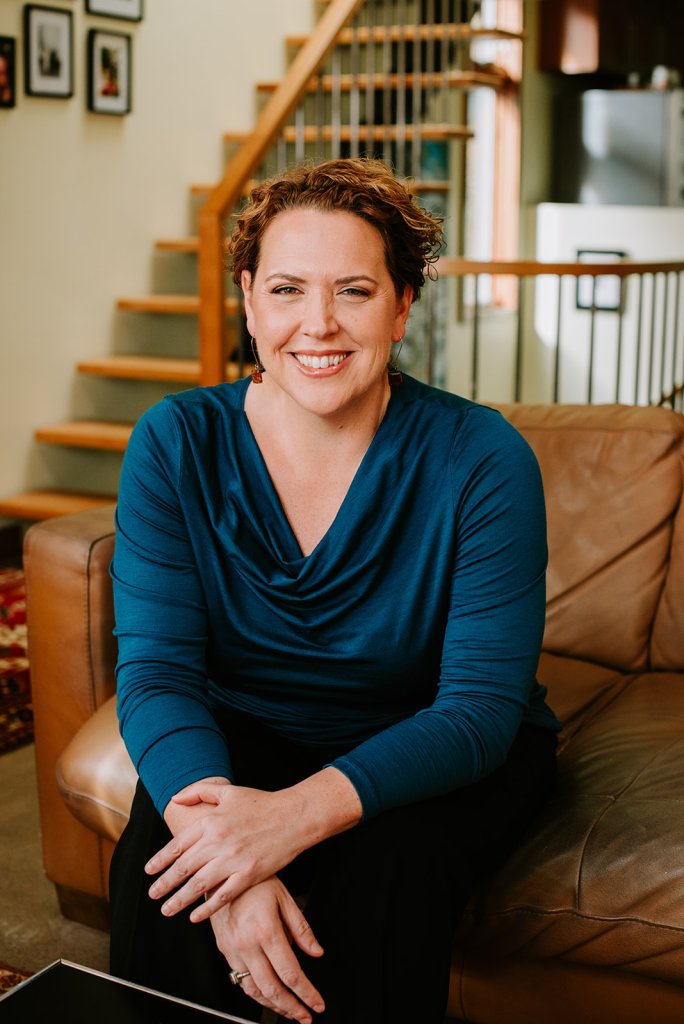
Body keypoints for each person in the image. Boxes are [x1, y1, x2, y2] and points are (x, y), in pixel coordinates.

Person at [109, 157, 561, 1024]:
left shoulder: (482, 459)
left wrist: (288, 822)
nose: (318, 324)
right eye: (287, 289)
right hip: (251, 727)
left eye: (354, 291)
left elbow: (476, 711)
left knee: (392, 873)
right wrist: (229, 855)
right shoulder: (174, 442)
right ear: (249, 300)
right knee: (172, 866)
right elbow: (159, 675)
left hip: (431, 742)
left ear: (402, 308)